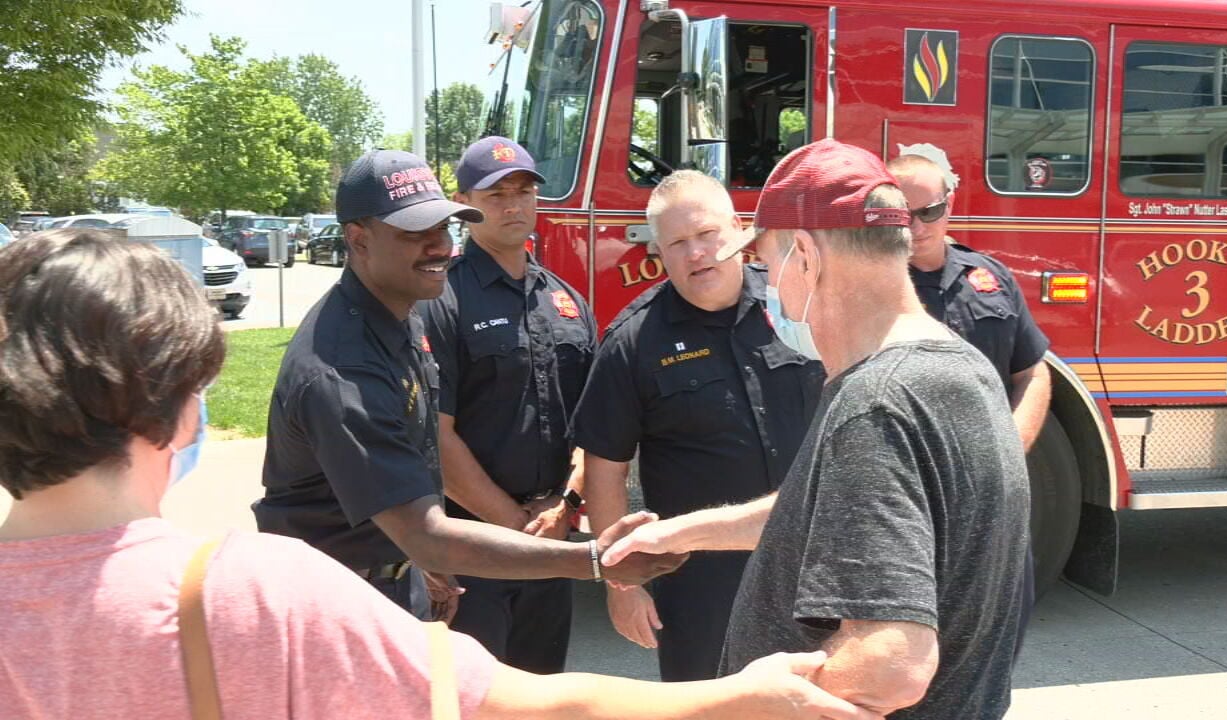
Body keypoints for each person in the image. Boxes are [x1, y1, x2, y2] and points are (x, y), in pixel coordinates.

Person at [0, 228, 879, 720]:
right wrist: (738, 694)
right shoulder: (251, 596)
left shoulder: (512, 304)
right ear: (180, 407)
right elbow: (521, 703)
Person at [602, 140, 1031, 719]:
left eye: (768, 263)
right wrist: (680, 534)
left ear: (806, 255)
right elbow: (841, 508)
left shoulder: (876, 406)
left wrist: (737, 703)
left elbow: (892, 664)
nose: (765, 283)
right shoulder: (958, 366)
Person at [253, 149, 683, 620]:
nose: (438, 246)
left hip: (397, 582)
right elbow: (427, 533)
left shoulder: (398, 320)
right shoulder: (341, 369)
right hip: (335, 604)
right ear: (358, 239)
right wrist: (596, 562)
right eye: (416, 233)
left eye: (442, 228)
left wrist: (563, 505)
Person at [571, 170, 826, 681]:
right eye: (678, 243)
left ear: (736, 229)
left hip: (814, 563)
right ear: (659, 254)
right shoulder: (633, 342)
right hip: (702, 584)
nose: (696, 254)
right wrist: (621, 585)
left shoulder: (798, 305)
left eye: (707, 235)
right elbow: (605, 471)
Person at [418, 137, 595, 673]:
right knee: (474, 697)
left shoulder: (567, 301)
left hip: (550, 534)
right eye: (496, 195)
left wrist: (565, 505)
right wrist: (515, 522)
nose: (513, 205)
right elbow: (436, 436)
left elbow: (595, 427)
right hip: (474, 547)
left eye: (523, 190)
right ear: (464, 203)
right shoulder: (441, 299)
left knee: (543, 695)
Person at [887, 151, 1049, 640]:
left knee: (996, 629)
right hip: (904, 495)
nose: (915, 226)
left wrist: (1009, 448)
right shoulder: (867, 288)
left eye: (928, 212)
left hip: (988, 496)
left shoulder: (991, 279)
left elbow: (1033, 372)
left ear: (949, 206)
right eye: (900, 214)